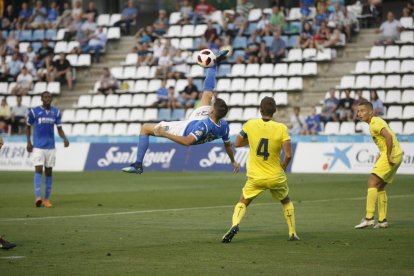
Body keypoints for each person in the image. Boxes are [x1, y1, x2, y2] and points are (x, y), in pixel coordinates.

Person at [122, 50, 240, 174]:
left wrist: (164, 133)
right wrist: (233, 161)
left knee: (145, 128)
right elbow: (227, 145)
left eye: (212, 107)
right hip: (200, 120)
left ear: (212, 111)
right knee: (207, 94)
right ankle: (214, 63)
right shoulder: (224, 126)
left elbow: (187, 141)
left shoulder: (203, 126)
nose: (210, 106)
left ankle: (138, 165)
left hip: (185, 128)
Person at [222, 96, 299, 243]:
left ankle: (235, 225)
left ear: (260, 109)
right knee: (286, 201)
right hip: (276, 176)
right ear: (275, 110)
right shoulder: (281, 128)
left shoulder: (250, 125)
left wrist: (252, 140)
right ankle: (292, 232)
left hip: (256, 177)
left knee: (243, 201)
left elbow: (237, 143)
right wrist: (282, 167)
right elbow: (289, 155)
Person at [354, 101, 403, 229]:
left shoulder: (375, 122)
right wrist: (381, 154)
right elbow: (385, 138)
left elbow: (389, 137)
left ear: (371, 112)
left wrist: (387, 155)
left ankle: (369, 218)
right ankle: (382, 220)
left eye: (362, 110)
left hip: (392, 155)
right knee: (380, 187)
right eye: (358, 111)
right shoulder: (374, 123)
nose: (359, 113)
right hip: (397, 154)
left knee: (371, 183)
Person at [26, 91, 69, 208]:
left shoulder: (56, 112)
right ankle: (38, 197)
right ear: (41, 99)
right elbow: (28, 126)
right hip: (38, 146)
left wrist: (64, 138)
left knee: (49, 172)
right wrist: (29, 142)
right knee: (39, 169)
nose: (48, 99)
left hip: (51, 147)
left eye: (50, 97)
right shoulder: (34, 112)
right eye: (45, 97)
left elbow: (59, 128)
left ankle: (46, 199)